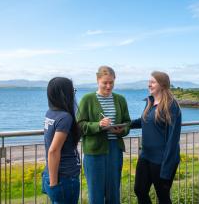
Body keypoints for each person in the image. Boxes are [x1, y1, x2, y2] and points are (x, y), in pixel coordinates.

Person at [77, 66, 131, 204]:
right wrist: (98, 125)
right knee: (96, 194)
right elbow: (79, 125)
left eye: (111, 83)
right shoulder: (87, 99)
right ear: (97, 80)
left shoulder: (120, 99)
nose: (108, 86)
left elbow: (127, 122)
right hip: (94, 152)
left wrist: (121, 130)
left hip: (115, 150)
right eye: (105, 83)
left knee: (113, 192)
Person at [131, 71, 182, 204]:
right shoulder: (150, 102)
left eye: (153, 82)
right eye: (149, 81)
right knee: (140, 190)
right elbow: (143, 121)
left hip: (161, 160)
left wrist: (167, 168)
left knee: (163, 196)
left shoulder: (171, 106)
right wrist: (125, 125)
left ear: (162, 85)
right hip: (145, 156)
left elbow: (173, 139)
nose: (149, 84)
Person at [42, 77, 81, 204]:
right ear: (65, 94)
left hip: (52, 173)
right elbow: (53, 150)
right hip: (64, 178)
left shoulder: (50, 113)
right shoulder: (65, 117)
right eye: (72, 91)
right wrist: (54, 184)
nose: (73, 94)